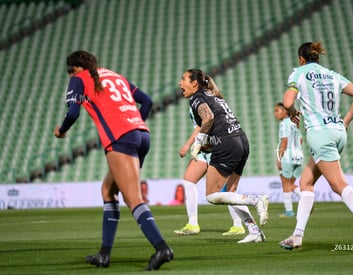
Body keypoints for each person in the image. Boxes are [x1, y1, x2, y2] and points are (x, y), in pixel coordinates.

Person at [54, 50, 173, 270]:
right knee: (108, 190)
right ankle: (104, 254)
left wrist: (61, 131)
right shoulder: (116, 76)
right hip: (141, 134)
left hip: (120, 138)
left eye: (70, 70)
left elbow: (73, 113)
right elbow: (146, 102)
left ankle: (162, 248)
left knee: (133, 199)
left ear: (77, 68)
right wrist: (134, 124)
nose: (70, 75)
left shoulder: (79, 80)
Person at [278, 42, 353, 252]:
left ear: (301, 59)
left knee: (337, 184)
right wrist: (346, 121)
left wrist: (292, 113)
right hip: (338, 132)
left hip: (319, 133)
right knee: (306, 182)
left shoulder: (298, 73)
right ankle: (297, 235)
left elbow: (288, 103)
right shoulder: (332, 75)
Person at [179, 68, 269, 243]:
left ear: (194, 83)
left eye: (183, 79)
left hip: (226, 143)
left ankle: (256, 200)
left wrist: (197, 142)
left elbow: (208, 118)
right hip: (241, 140)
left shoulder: (197, 97)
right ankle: (254, 231)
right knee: (230, 192)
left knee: (212, 195)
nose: (180, 83)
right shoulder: (213, 95)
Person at [174, 83, 246, 236]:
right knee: (189, 180)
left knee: (226, 190)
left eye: (184, 80)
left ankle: (239, 223)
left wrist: (188, 145)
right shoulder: (212, 98)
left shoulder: (201, 100)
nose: (181, 84)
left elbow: (203, 125)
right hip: (206, 148)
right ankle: (192, 223)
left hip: (215, 147)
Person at [273, 102, 303, 217]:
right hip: (298, 156)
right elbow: (300, 140)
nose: (275, 114)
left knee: (286, 185)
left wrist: (279, 158)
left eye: (277, 110)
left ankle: (289, 211)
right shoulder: (294, 123)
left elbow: (284, 141)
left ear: (285, 111)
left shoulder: (284, 123)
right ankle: (305, 197)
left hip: (288, 157)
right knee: (291, 185)